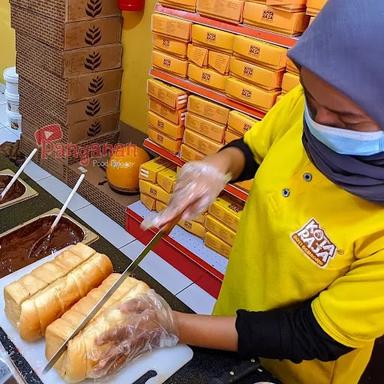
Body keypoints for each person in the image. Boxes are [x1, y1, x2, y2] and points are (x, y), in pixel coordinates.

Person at [94, 1, 384, 383]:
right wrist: (216, 168)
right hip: (229, 322)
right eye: (313, 103)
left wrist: (171, 324)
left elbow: (311, 333)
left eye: (346, 119)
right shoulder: (310, 103)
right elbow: (251, 150)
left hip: (295, 370)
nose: (321, 121)